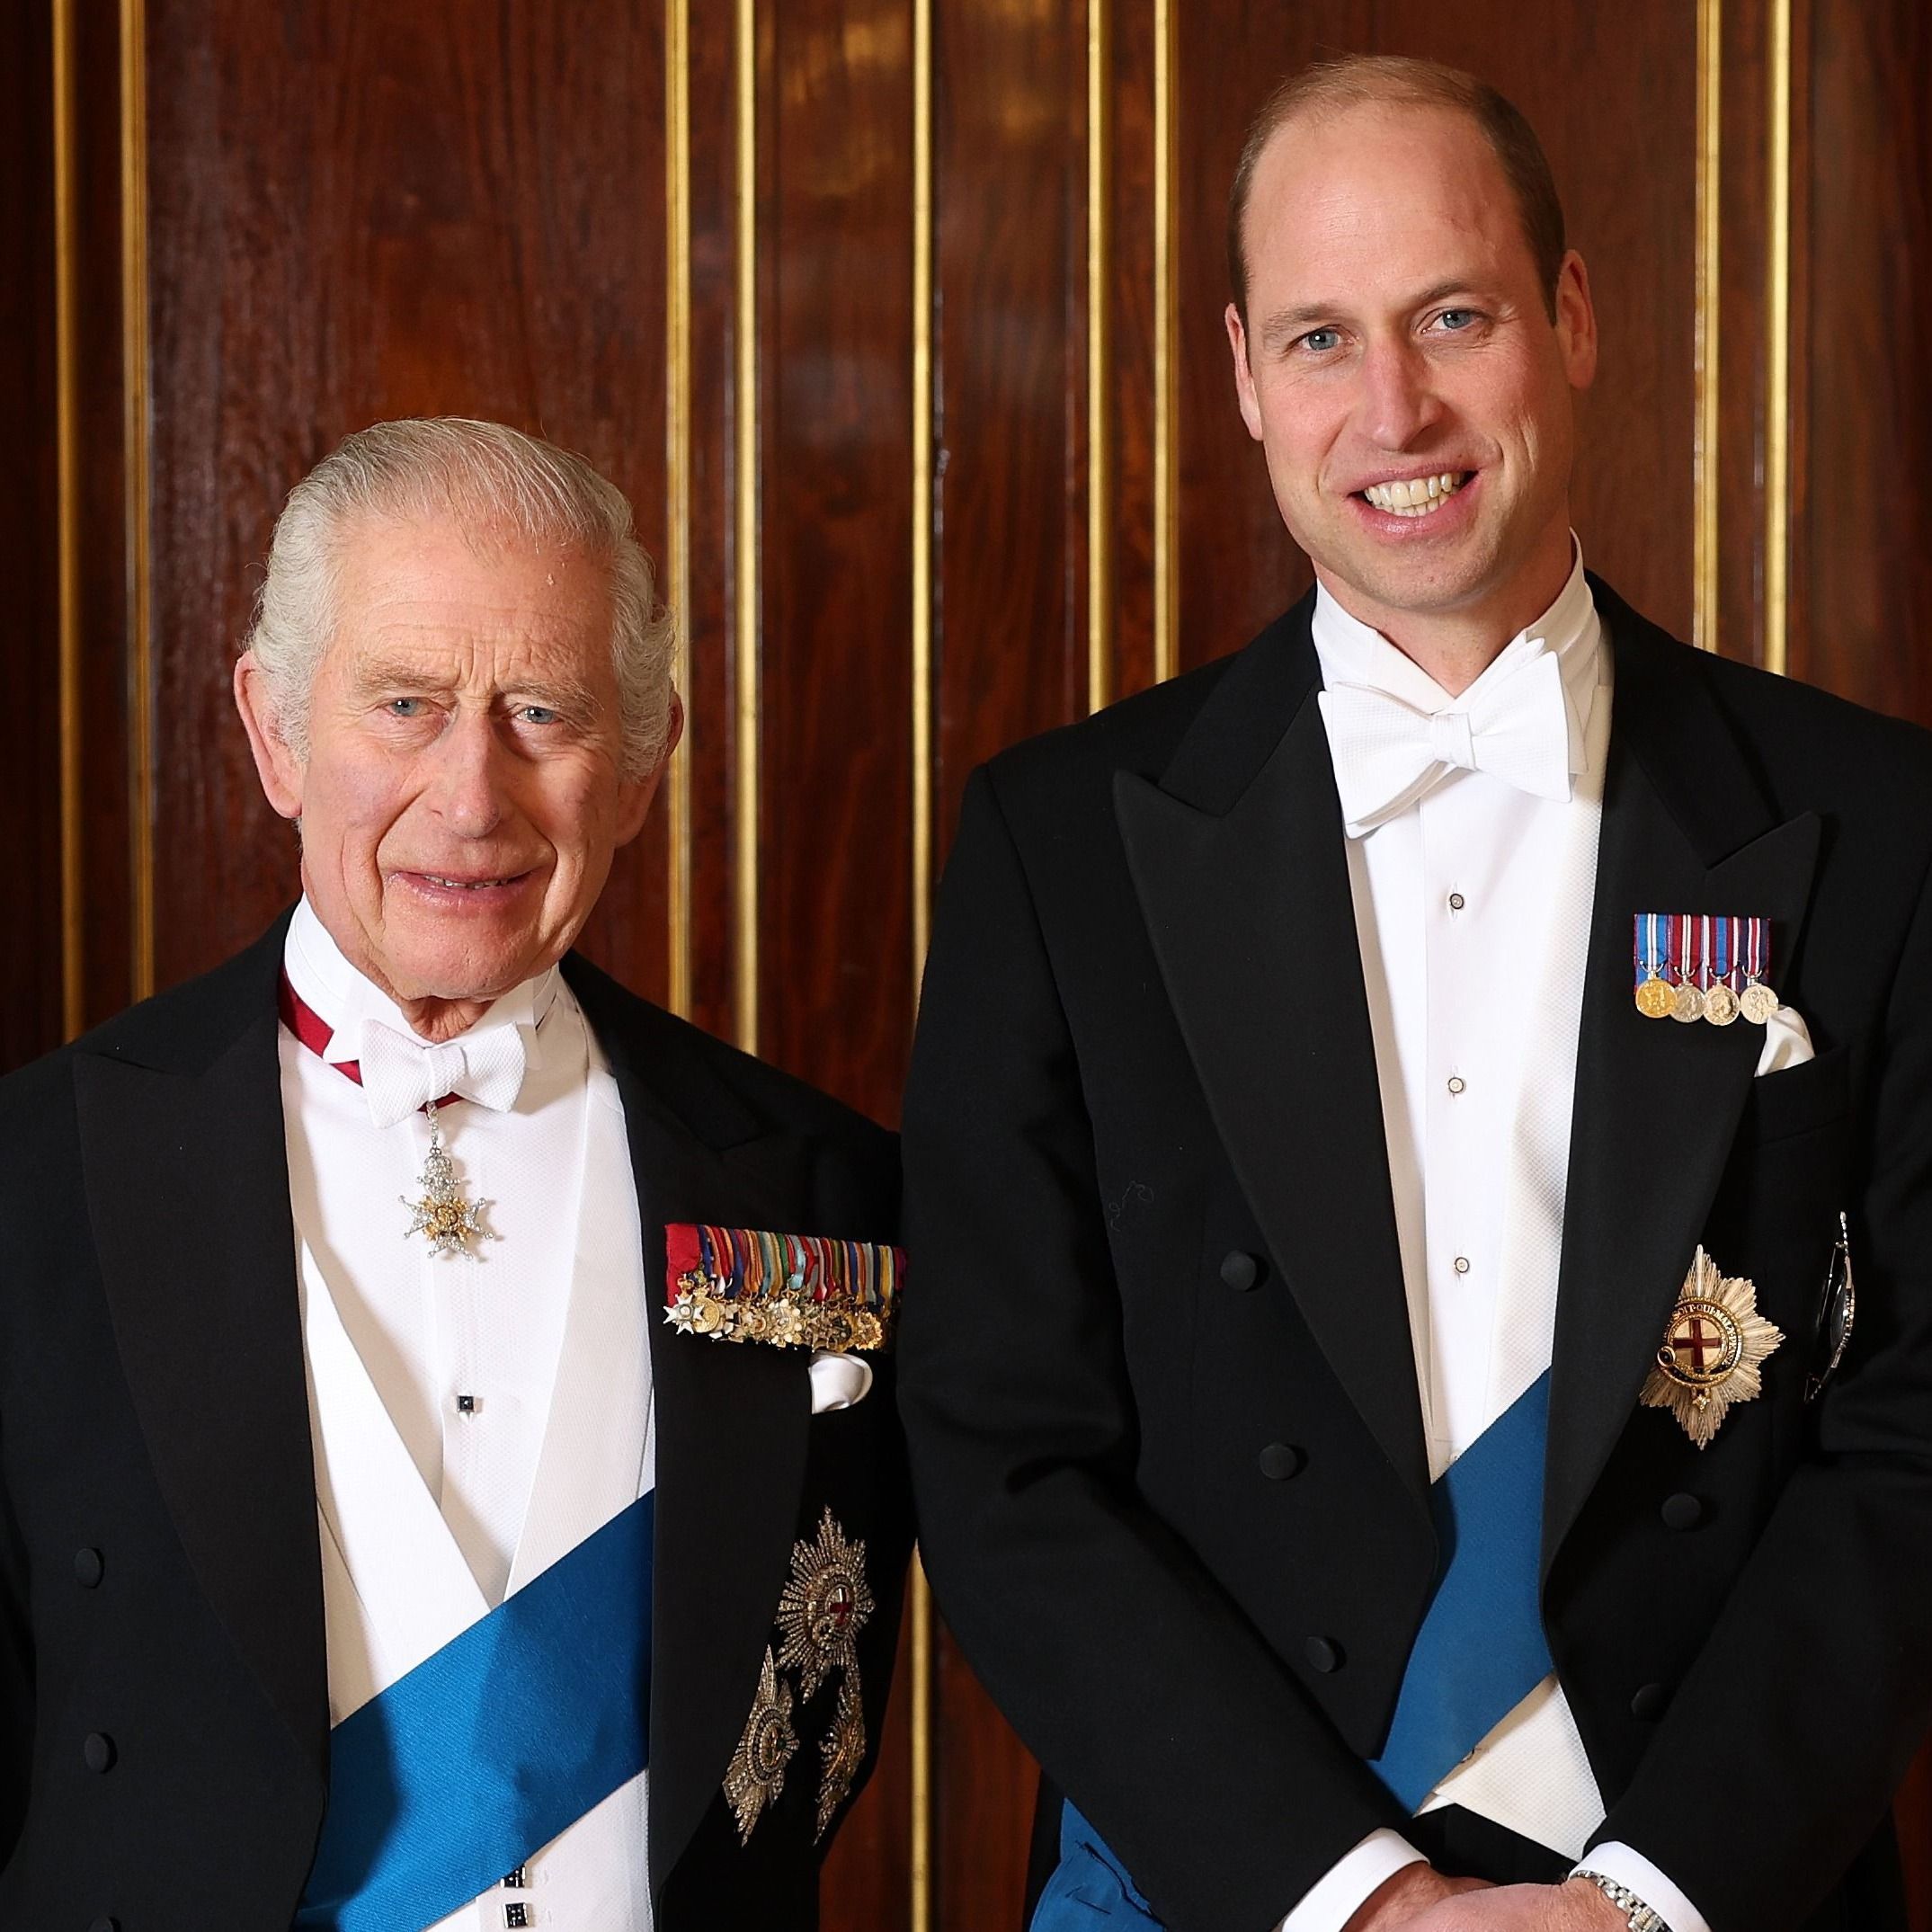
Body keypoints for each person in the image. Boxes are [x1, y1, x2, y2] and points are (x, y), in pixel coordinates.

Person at [900, 54, 1932, 1932]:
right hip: (1235, 1889)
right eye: (1320, 338)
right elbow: (1001, 1457)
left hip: (1720, 1881)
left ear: (1573, 317)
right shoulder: (1058, 849)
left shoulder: (1876, 826)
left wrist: (1648, 1899)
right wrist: (1362, 1902)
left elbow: (1918, 1429)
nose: (1394, 410)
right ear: (1243, 374)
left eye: (1454, 315)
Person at [0, 418, 910, 1929]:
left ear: (642, 762)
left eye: (541, 712)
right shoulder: (34, 1183)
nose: (473, 796)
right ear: (275, 732)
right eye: (406, 705)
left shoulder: (820, 1188)